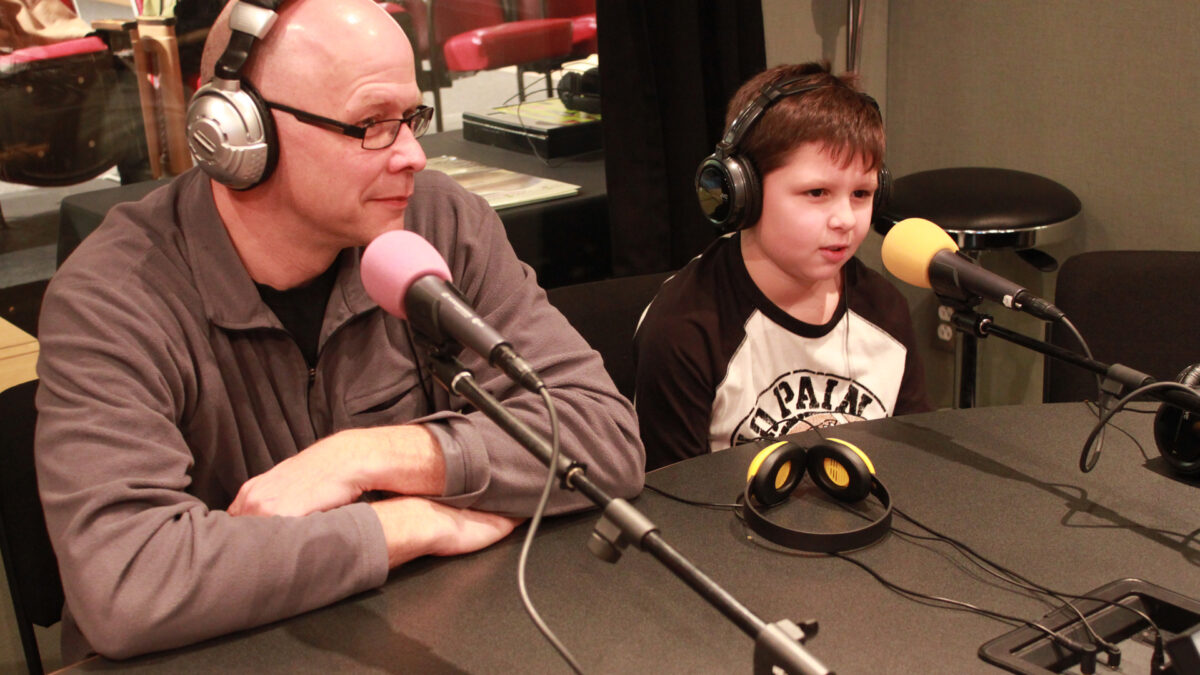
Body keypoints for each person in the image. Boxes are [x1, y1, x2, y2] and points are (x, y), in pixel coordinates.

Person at [34, 0, 644, 661]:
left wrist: (361, 457)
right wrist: (402, 525)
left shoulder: (440, 221)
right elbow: (128, 581)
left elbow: (600, 436)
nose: (413, 154)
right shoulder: (113, 294)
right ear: (238, 133)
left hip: (413, 636)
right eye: (372, 125)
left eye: (411, 118)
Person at [634, 62, 931, 471]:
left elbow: (911, 466)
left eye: (861, 193)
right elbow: (671, 505)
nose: (845, 219)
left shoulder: (885, 310)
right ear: (741, 193)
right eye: (817, 192)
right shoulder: (685, 329)